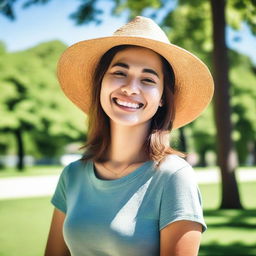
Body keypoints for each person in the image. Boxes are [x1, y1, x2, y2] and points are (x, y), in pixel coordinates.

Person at [45, 16, 214, 256]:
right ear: (100, 83)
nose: (131, 88)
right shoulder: (72, 176)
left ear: (162, 98)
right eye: (119, 72)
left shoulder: (174, 177)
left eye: (148, 79)